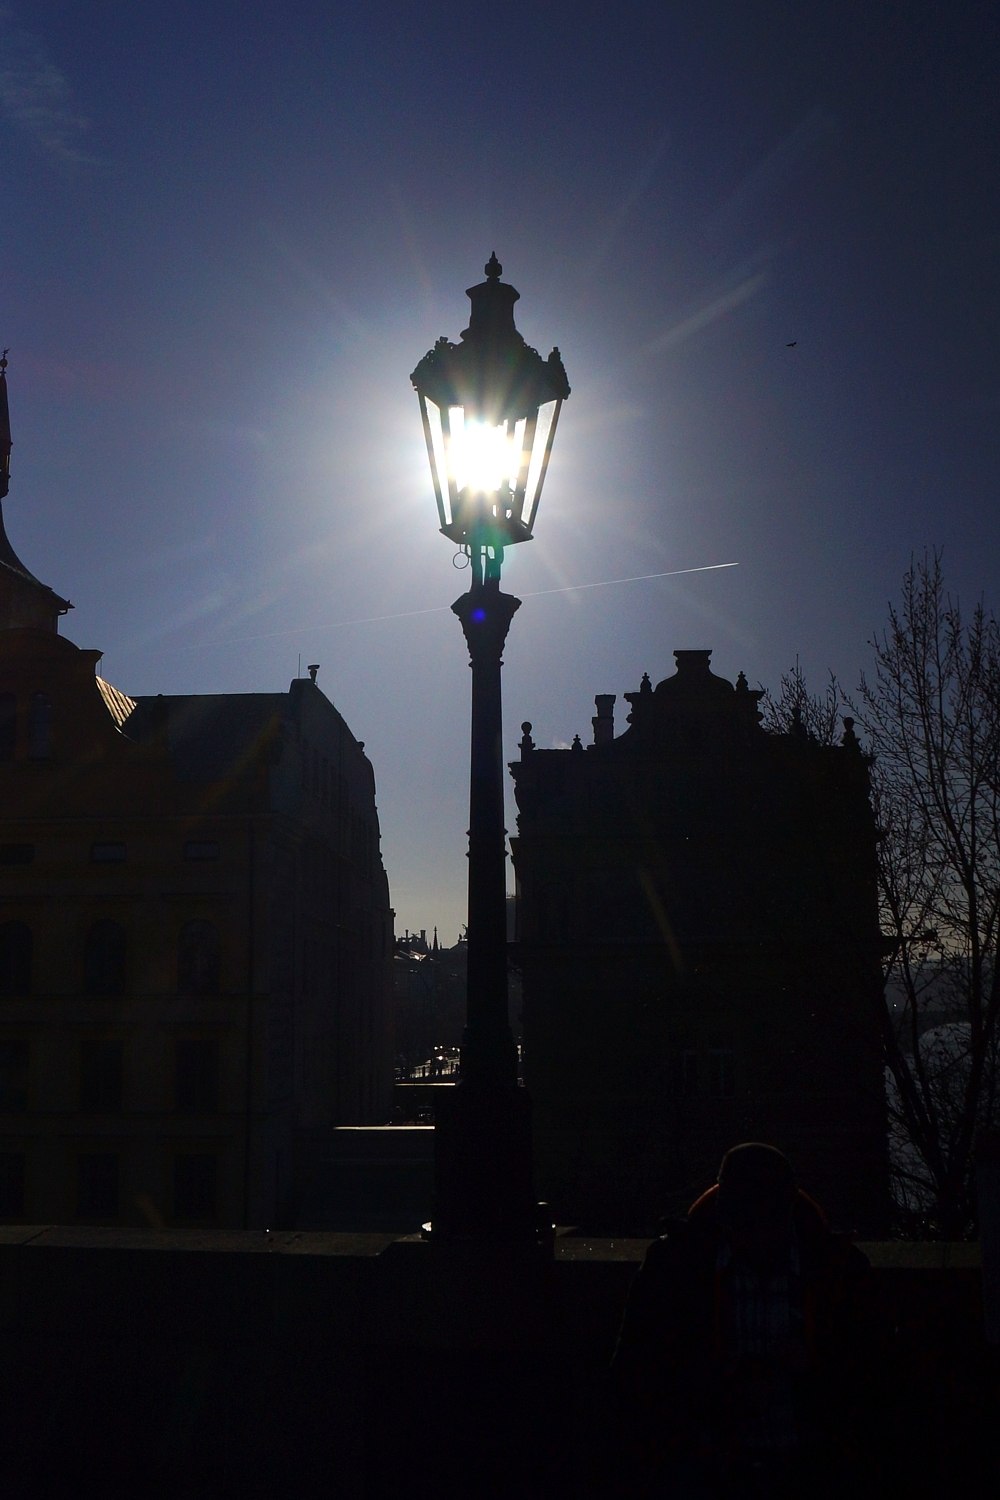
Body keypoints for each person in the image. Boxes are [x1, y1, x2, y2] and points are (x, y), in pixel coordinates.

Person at [609, 1143, 886, 1498]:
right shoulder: (838, 1268)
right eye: (748, 1224)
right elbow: (634, 1376)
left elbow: (878, 1376)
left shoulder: (675, 1263)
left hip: (759, 1462)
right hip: (738, 1460)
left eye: (765, 1221)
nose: (757, 1238)